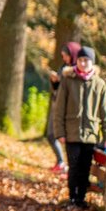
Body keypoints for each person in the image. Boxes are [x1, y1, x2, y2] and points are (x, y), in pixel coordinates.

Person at [53, 46, 106, 209]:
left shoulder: (99, 84)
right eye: (80, 60)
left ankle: (81, 198)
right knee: (73, 166)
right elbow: (59, 109)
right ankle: (73, 197)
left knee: (85, 167)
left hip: (91, 134)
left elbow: (105, 112)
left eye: (86, 60)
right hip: (72, 133)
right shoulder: (68, 81)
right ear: (77, 61)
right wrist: (59, 132)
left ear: (92, 63)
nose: (83, 63)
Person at [46, 41, 80, 174]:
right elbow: (57, 89)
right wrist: (55, 82)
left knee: (62, 137)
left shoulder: (75, 71)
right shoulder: (63, 67)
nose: (64, 58)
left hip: (67, 109)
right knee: (50, 135)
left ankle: (68, 165)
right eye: (63, 56)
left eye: (66, 55)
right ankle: (60, 161)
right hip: (56, 104)